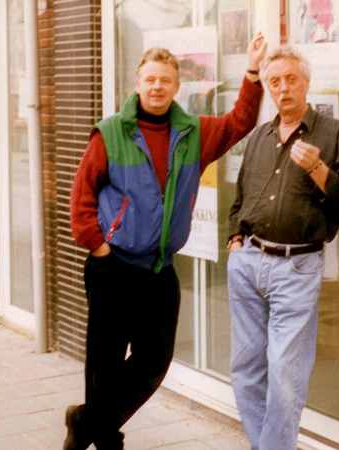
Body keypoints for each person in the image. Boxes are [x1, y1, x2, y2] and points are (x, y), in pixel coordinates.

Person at [65, 34, 266, 450]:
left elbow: (239, 123)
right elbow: (81, 197)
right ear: (137, 84)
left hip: (159, 269)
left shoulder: (195, 133)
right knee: (103, 363)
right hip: (113, 265)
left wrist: (251, 73)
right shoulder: (110, 133)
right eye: (150, 79)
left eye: (165, 81)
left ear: (177, 87)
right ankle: (105, 438)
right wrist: (99, 248)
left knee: (154, 361)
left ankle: (86, 421)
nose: (157, 87)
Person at [227, 46, 339, 450]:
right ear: (268, 88)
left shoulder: (332, 133)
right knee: (246, 369)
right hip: (249, 262)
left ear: (306, 82)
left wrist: (318, 169)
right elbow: (241, 197)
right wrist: (235, 238)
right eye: (275, 81)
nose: (283, 88)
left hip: (296, 267)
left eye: (291, 79)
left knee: (285, 376)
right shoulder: (259, 137)